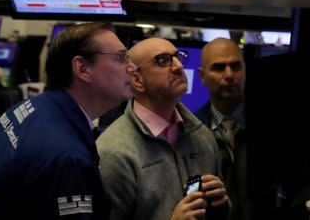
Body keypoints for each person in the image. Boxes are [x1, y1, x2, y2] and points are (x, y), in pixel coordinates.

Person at [0, 23, 136, 220]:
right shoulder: (69, 157)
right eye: (121, 57)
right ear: (83, 68)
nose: (132, 66)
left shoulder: (29, 109)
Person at [97, 37, 230, 220]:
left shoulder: (203, 136)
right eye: (163, 60)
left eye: (178, 57)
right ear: (137, 80)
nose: (178, 66)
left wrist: (221, 206)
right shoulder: (112, 152)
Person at [195, 38, 250, 220]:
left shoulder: (275, 127)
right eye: (219, 68)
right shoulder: (189, 132)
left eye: (236, 66)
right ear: (202, 76)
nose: (229, 74)